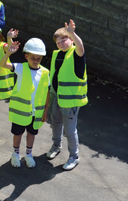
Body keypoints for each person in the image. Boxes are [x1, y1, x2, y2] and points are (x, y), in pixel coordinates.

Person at [1, 34, 49, 169]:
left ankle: (28, 154)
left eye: (39, 58)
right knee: (18, 133)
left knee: (32, 133)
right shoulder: (20, 68)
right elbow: (2, 64)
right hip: (20, 111)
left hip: (36, 112)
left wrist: (46, 111)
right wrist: (8, 53)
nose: (36, 60)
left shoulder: (45, 72)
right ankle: (15, 154)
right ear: (26, 56)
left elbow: (46, 92)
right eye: (33, 57)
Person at [47, 19, 85, 171]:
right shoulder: (57, 54)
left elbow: (81, 47)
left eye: (64, 40)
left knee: (69, 130)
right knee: (55, 123)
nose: (61, 44)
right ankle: (56, 146)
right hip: (57, 97)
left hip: (70, 101)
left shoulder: (76, 54)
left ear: (71, 40)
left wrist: (72, 33)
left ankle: (74, 156)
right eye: (58, 42)